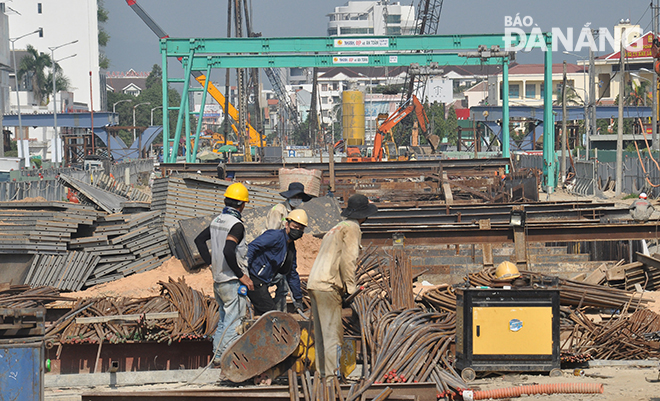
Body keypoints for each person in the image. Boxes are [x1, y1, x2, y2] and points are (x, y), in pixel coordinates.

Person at [307, 194, 378, 379]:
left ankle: (322, 375)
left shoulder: (337, 227)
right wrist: (351, 287)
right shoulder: (353, 228)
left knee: (322, 334)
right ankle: (330, 380)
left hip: (315, 283)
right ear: (363, 215)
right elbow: (349, 260)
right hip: (328, 285)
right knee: (332, 335)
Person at [194, 182, 254, 365]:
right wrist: (241, 275)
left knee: (223, 320)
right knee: (234, 322)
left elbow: (199, 240)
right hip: (231, 281)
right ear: (242, 205)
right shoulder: (236, 225)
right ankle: (228, 360)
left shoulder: (217, 221)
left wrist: (211, 263)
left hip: (218, 280)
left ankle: (218, 357)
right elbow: (229, 250)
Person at [263, 182, 315, 312]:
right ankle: (266, 310)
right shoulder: (279, 210)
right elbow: (271, 234)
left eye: (299, 197)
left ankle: (281, 312)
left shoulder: (296, 212)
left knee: (284, 285)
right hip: (274, 250)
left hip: (286, 248)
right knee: (266, 282)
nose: (297, 200)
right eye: (295, 196)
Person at [246, 210, 307, 315]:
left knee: (264, 314)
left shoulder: (290, 249)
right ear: (287, 224)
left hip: (264, 281)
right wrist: (244, 273)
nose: (297, 230)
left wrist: (298, 298)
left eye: (300, 229)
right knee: (271, 314)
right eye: (295, 227)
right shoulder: (275, 236)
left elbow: (292, 273)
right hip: (255, 279)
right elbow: (252, 247)